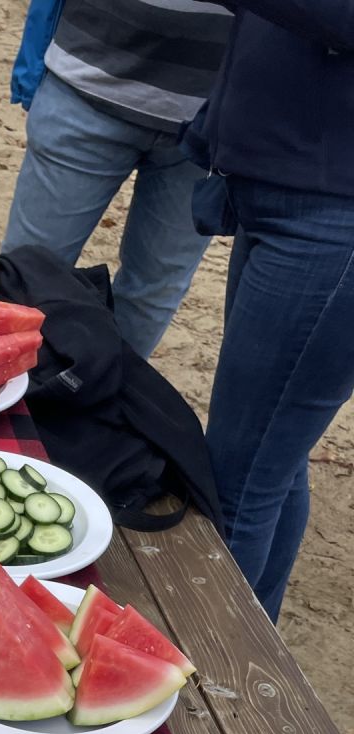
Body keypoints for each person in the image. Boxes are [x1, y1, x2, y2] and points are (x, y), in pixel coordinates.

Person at [184, 1, 354, 621]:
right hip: (282, 192)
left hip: (331, 220)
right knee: (271, 459)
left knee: (238, 481)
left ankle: (213, 683)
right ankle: (259, 636)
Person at [2, 0, 232, 358]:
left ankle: (108, 401)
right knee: (25, 276)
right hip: (87, 81)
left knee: (153, 292)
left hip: (212, 119)